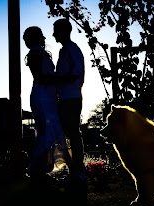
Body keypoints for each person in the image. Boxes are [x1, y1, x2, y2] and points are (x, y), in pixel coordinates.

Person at [23, 26, 72, 182]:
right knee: (47, 132)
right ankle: (35, 168)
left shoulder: (39, 53)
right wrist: (62, 79)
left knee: (48, 131)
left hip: (47, 96)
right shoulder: (36, 53)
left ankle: (41, 169)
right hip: (43, 96)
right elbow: (40, 78)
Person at [53, 19, 86, 182]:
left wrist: (56, 80)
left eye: (55, 31)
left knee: (73, 133)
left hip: (71, 97)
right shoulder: (65, 50)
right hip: (66, 97)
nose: (53, 34)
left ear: (63, 31)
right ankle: (74, 170)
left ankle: (78, 171)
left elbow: (76, 74)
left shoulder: (72, 49)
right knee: (68, 133)